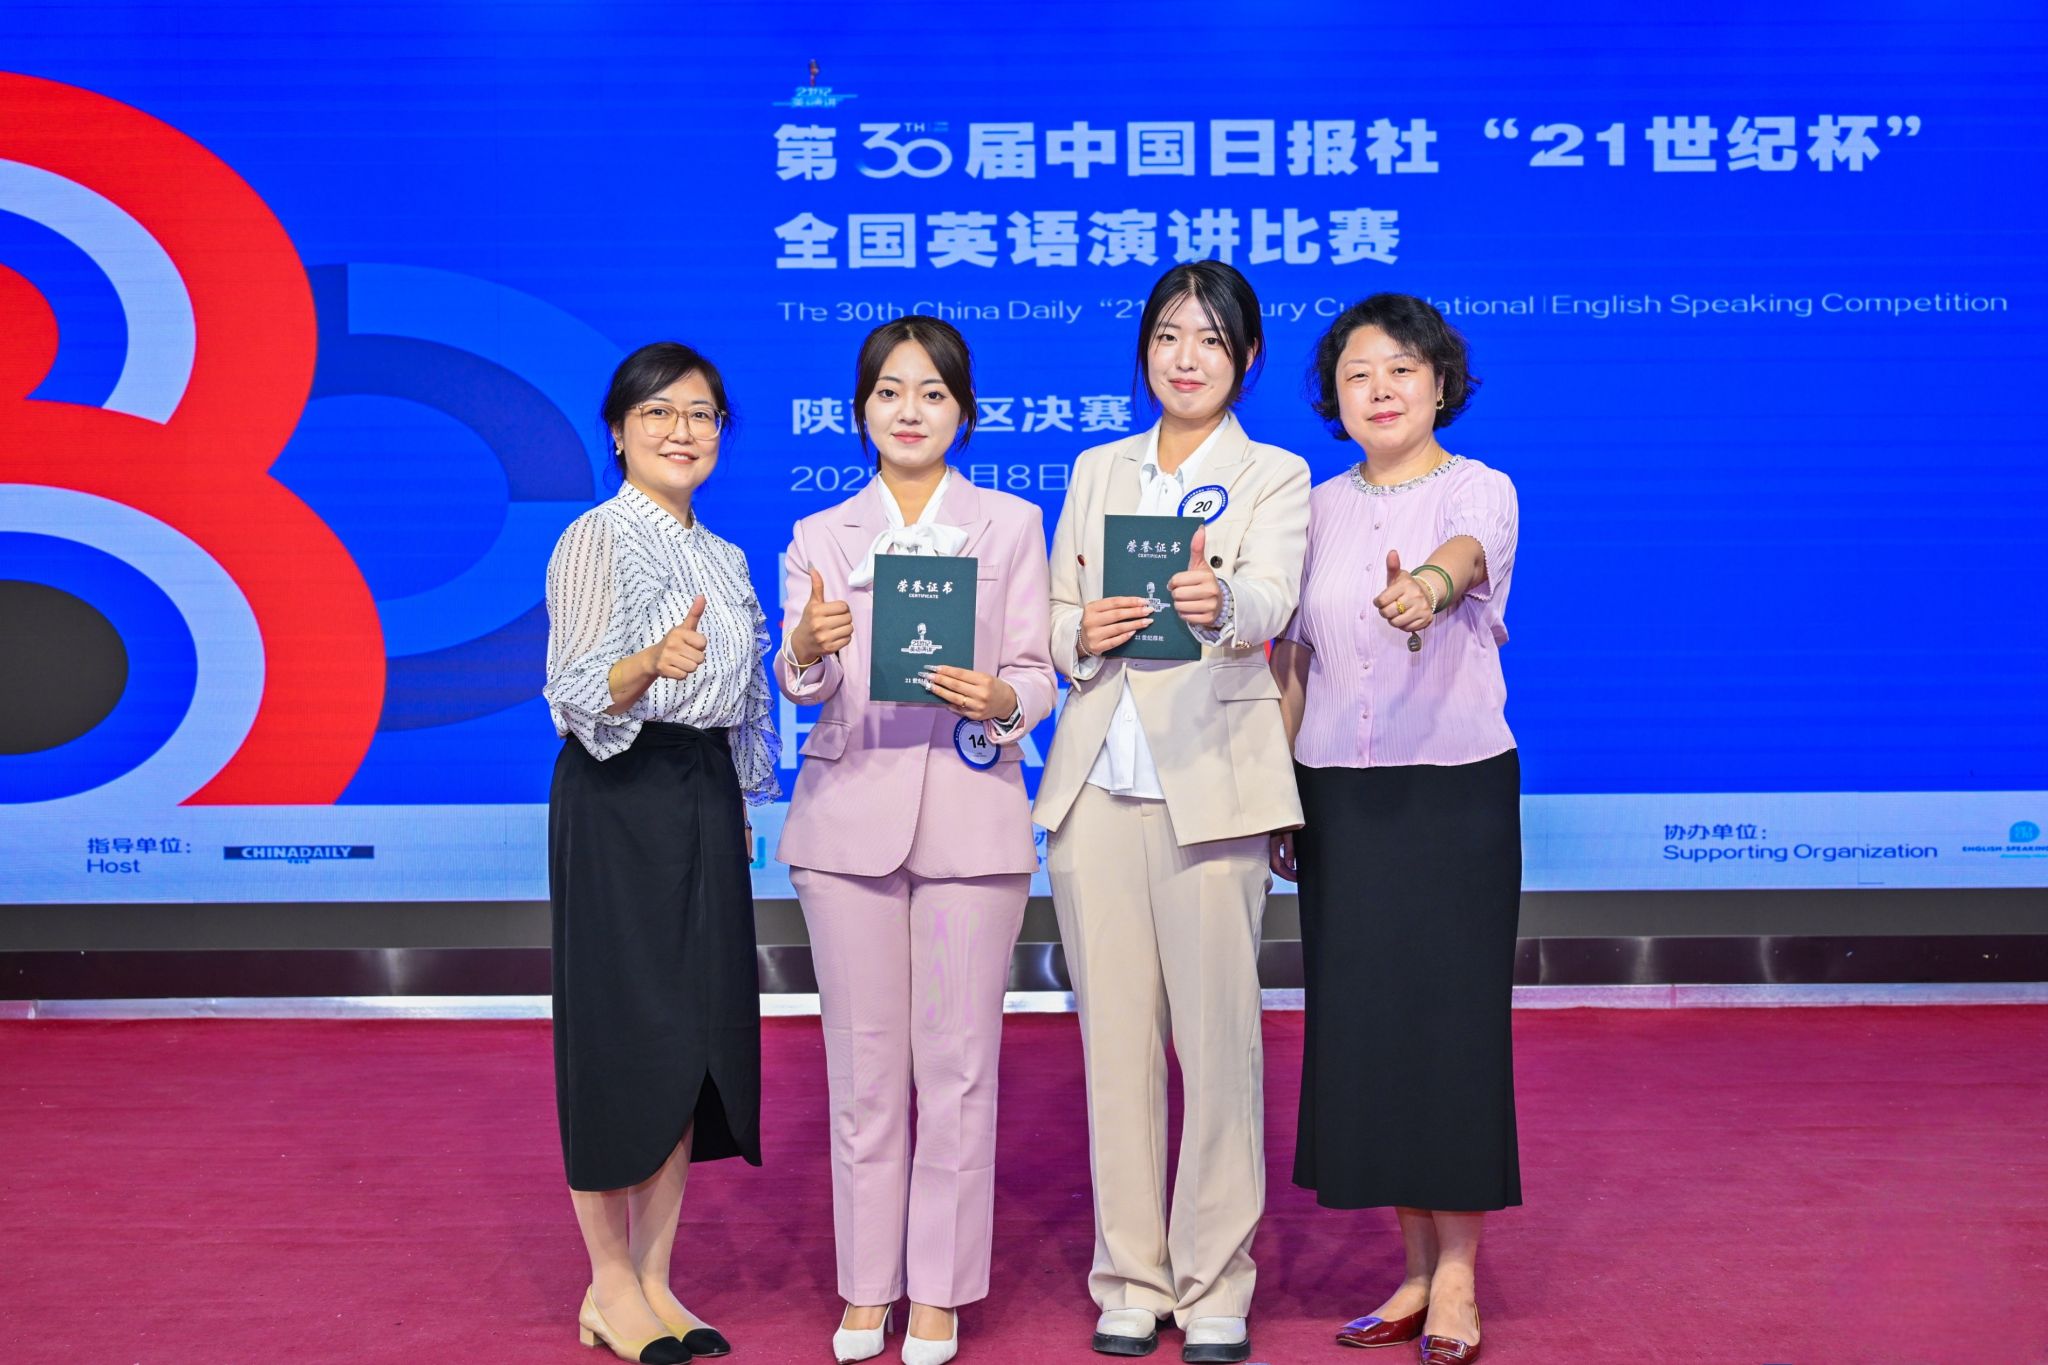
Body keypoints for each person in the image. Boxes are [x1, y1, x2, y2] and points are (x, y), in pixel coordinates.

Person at [1035, 261, 1310, 1365]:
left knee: (1217, 1044)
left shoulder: (1273, 473)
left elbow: (1275, 595)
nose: (1184, 357)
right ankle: (1130, 1277)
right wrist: (1083, 630)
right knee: (1115, 1046)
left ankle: (1214, 1281)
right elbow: (1052, 616)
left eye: (1208, 338)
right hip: (1097, 784)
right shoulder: (1097, 468)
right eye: (1165, 336)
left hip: (1211, 784)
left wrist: (1222, 601)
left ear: (1246, 359)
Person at [775, 317, 1057, 1365]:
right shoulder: (819, 534)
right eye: (890, 392)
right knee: (861, 1071)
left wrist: (1003, 698)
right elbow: (799, 681)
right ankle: (866, 1287)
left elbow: (1037, 671)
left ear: (963, 413)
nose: (909, 410)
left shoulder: (1010, 525)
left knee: (957, 1069)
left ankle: (936, 1291)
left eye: (932, 393)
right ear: (860, 412)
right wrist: (805, 647)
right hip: (847, 825)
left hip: (970, 825)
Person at [1269, 293, 1522, 1365]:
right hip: (1339, 795)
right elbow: (1291, 660)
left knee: (1449, 1031)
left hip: (1452, 794)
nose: (1380, 389)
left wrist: (1425, 585)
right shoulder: (1312, 509)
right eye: (1357, 374)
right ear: (1333, 396)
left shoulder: (1479, 488)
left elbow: (1463, 557)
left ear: (1439, 383)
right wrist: (1277, 790)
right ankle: (1412, 1271)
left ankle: (1457, 1273)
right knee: (1369, 1033)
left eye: (1402, 369)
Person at [542, 342, 778, 1365]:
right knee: (620, 1034)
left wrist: (737, 802)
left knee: (696, 1038)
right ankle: (607, 1285)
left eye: (701, 414)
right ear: (618, 431)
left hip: (701, 794)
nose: (682, 431)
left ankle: (655, 1278)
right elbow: (571, 687)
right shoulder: (594, 537)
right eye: (658, 413)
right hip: (619, 793)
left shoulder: (724, 556)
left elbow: (745, 704)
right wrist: (648, 663)